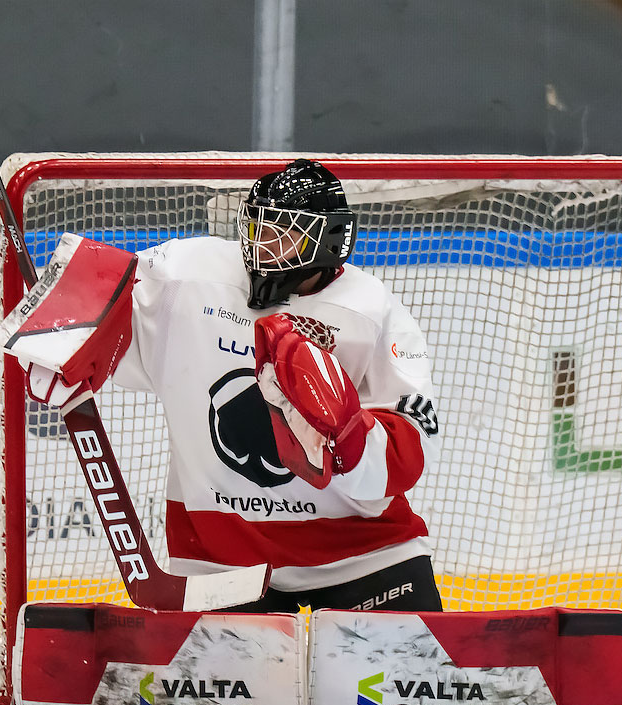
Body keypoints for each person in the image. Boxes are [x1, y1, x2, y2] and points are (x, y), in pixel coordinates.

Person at [29, 159, 444, 614]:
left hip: (362, 551)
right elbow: (105, 282)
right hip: (220, 557)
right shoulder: (188, 274)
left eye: (285, 234)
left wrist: (350, 436)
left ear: (328, 240)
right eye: (259, 227)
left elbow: (413, 441)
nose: (264, 245)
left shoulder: (370, 309)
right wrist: (62, 333)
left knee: (415, 663)